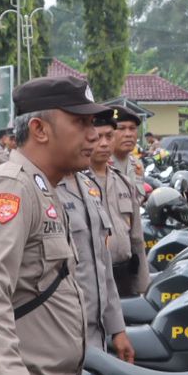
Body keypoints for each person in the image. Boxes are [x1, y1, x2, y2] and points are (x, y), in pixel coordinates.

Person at [0, 76, 104, 375]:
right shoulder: (11, 187)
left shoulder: (43, 187)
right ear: (40, 129)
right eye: (80, 122)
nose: (94, 134)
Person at [58, 106, 134, 361]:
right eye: (83, 126)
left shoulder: (87, 186)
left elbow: (102, 265)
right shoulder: (32, 189)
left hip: (94, 333)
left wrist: (117, 328)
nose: (94, 138)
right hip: (59, 341)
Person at [103, 103, 151, 296]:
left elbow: (135, 224)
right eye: (121, 128)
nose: (129, 134)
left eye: (132, 129)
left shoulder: (136, 165)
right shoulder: (94, 166)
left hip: (126, 260)